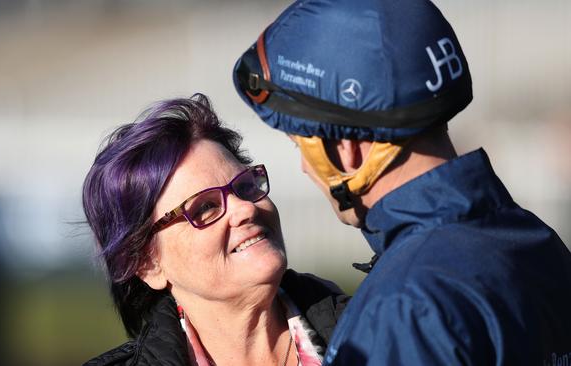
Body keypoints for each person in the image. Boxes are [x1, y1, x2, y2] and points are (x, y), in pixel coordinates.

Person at [232, 0, 571, 365]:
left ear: (345, 148)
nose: (303, 167)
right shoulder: (536, 241)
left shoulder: (405, 306)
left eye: (300, 144)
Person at [81, 94, 348, 366]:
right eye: (204, 208)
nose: (246, 209)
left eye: (245, 187)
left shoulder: (379, 333)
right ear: (147, 264)